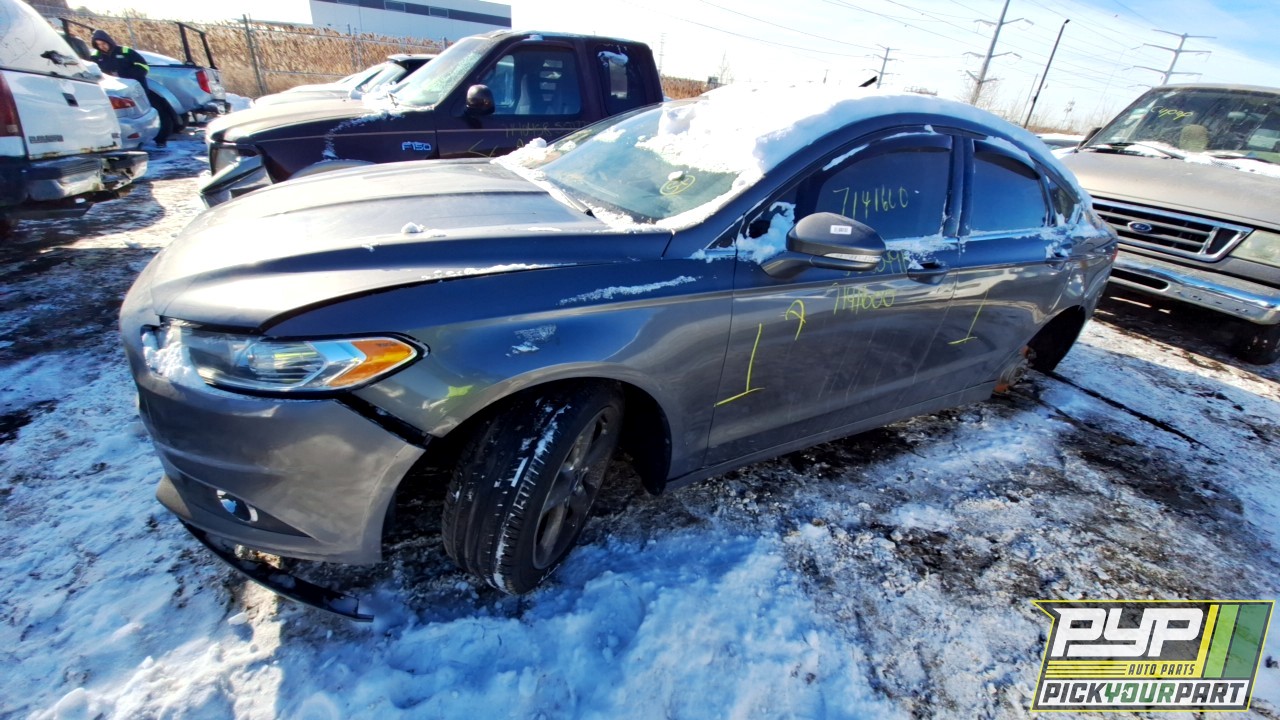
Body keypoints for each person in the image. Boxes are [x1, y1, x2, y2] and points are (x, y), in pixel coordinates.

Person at [90, 30, 170, 148]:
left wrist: (126, 75)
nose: (102, 47)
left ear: (109, 41)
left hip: (135, 90)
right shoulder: (95, 57)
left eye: (103, 44)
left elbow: (143, 66)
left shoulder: (125, 52)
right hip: (114, 93)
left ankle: (161, 139)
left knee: (149, 114)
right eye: (98, 45)